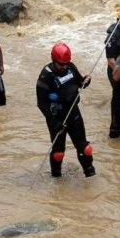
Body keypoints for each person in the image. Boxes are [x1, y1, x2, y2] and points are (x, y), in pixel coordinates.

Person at [36, 42, 95, 178]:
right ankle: (56, 180)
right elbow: (41, 104)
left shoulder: (71, 67)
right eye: (61, 64)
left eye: (66, 64)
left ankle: (90, 175)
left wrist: (86, 80)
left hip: (73, 114)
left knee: (85, 148)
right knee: (58, 153)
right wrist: (54, 123)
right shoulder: (45, 77)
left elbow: (80, 83)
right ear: (53, 60)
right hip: (57, 119)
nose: (64, 67)